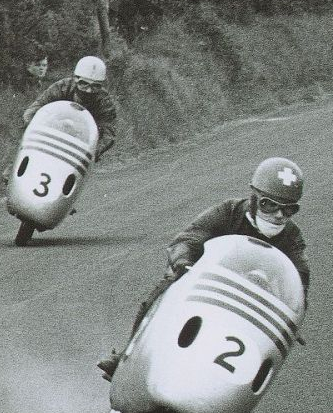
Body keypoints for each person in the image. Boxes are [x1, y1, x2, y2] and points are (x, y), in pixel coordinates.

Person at [97, 157, 310, 380]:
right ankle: (127, 356)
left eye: (288, 209)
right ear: (254, 199)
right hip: (206, 286)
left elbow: (300, 278)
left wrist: (295, 312)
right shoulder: (228, 212)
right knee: (165, 289)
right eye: (270, 204)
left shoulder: (292, 237)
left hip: (251, 304)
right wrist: (184, 264)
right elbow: (188, 238)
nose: (278, 214)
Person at [22, 55, 117, 157]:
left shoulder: (104, 101)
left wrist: (92, 152)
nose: (89, 90)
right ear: (76, 79)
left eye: (96, 86)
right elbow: (33, 111)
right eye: (84, 83)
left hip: (81, 146)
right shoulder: (61, 88)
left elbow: (109, 134)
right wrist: (39, 127)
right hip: (51, 135)